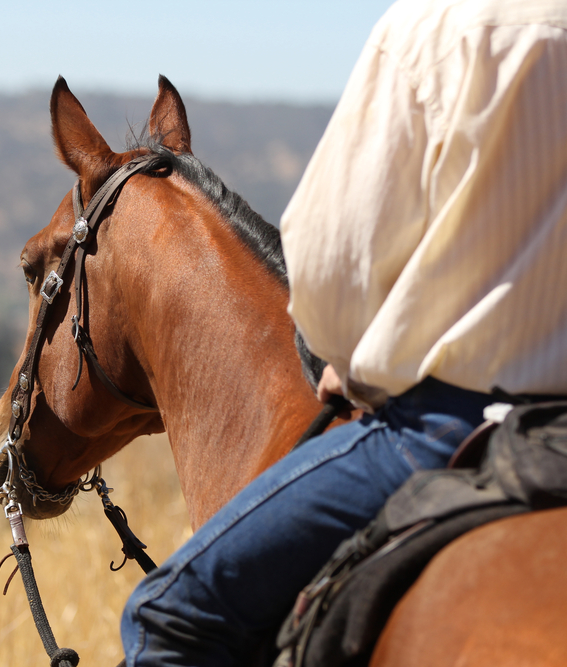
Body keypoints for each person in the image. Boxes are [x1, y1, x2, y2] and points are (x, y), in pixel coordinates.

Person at [120, 0, 567, 664]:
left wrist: (345, 357)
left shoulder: (436, 28)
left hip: (451, 422)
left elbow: (330, 257)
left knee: (168, 615)